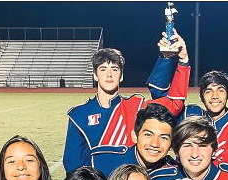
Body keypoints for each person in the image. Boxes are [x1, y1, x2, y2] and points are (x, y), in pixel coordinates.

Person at [62, 31, 190, 172]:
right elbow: (72, 164)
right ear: (95, 75)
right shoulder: (78, 115)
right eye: (103, 69)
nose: (109, 74)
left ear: (121, 76)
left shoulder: (136, 106)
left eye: (115, 69)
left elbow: (174, 105)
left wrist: (182, 60)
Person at [149, 68, 228, 166]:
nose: (215, 96)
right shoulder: (188, 115)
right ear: (201, 96)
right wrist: (171, 60)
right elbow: (159, 93)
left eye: (221, 91)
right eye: (208, 91)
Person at [91, 103, 177, 176]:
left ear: (171, 144)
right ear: (135, 136)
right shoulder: (101, 161)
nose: (155, 144)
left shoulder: (178, 174)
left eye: (164, 138)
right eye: (148, 135)